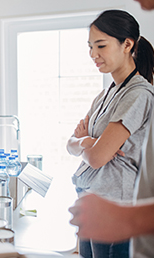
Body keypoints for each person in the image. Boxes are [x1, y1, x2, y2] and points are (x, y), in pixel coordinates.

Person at [66, 9, 154, 258]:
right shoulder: (105, 95)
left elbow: (96, 158)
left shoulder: (138, 94)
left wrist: (87, 146)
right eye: (90, 47)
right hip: (93, 201)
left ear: (127, 44)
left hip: (117, 208)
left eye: (101, 46)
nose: (93, 54)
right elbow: (71, 144)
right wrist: (89, 141)